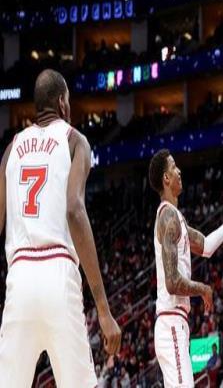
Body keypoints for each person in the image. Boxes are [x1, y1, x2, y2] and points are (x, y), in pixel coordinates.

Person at [0, 69, 121, 386]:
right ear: (63, 102)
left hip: (19, 277)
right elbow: (74, 210)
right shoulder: (74, 140)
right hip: (57, 271)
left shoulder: (11, 150)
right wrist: (103, 309)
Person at [148, 149, 223, 386]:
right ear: (166, 178)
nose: (179, 171)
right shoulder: (168, 217)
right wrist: (203, 289)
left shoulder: (175, 218)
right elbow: (172, 282)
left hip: (174, 323)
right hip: (170, 322)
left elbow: (206, 246)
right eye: (174, 167)